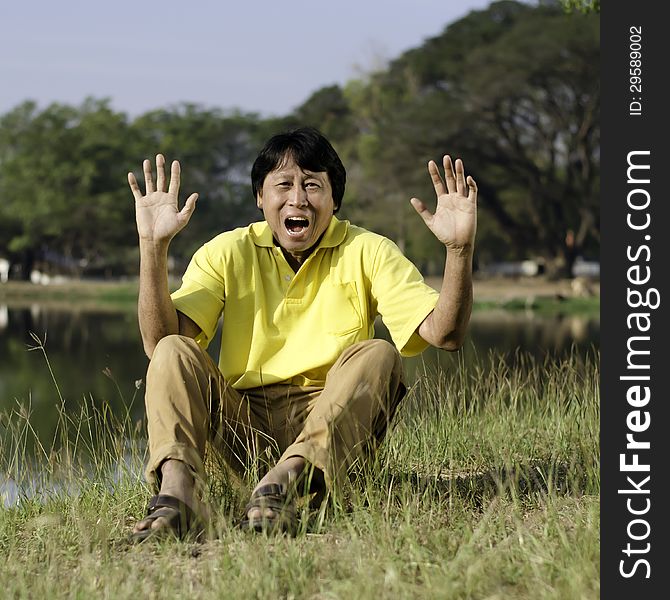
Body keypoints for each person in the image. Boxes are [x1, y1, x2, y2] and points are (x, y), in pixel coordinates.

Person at [127, 127, 477, 540]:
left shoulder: (369, 250)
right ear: (261, 197)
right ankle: (179, 498)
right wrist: (152, 247)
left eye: (312, 185)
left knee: (379, 353)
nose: (297, 199)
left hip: (330, 426)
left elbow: (445, 334)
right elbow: (158, 342)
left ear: (333, 200)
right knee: (173, 349)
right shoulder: (227, 251)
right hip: (244, 428)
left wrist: (459, 251)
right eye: (283, 185)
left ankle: (284, 483)